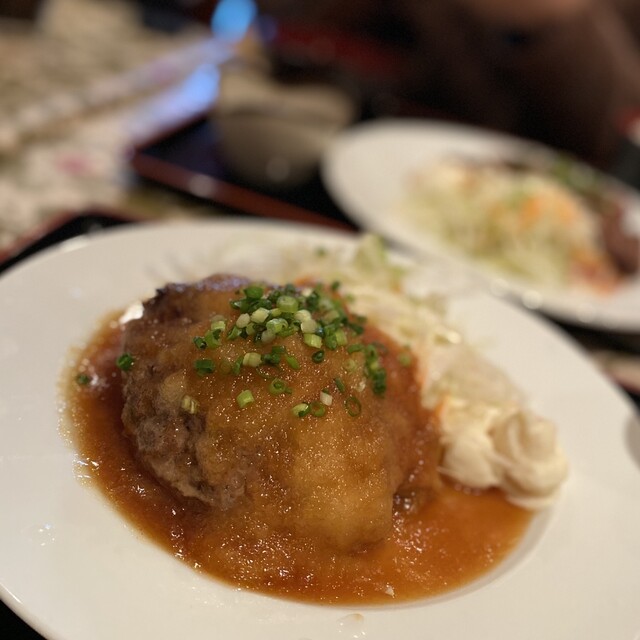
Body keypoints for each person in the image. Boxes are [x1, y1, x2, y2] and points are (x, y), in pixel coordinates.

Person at [250, 0, 640, 168]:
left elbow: (612, 130)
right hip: (315, 147)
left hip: (528, 183)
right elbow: (279, 29)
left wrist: (553, 21)